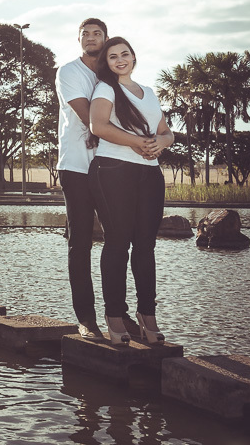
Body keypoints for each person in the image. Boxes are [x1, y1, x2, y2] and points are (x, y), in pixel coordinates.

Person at [88, 36, 173, 346]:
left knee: (146, 246)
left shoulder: (148, 93)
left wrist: (161, 142)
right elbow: (98, 126)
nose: (120, 60)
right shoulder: (106, 89)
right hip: (112, 171)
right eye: (113, 57)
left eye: (125, 54)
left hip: (149, 174)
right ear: (107, 63)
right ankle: (114, 316)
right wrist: (139, 142)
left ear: (134, 57)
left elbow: (166, 131)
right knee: (117, 244)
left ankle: (147, 316)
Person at [55, 17, 108, 340]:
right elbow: (89, 117)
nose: (91, 38)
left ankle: (118, 315)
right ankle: (86, 318)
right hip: (75, 165)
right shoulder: (69, 72)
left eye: (97, 33)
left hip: (110, 165)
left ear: (105, 38)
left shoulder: (113, 73)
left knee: (117, 242)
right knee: (81, 242)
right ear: (79, 40)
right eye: (85, 34)